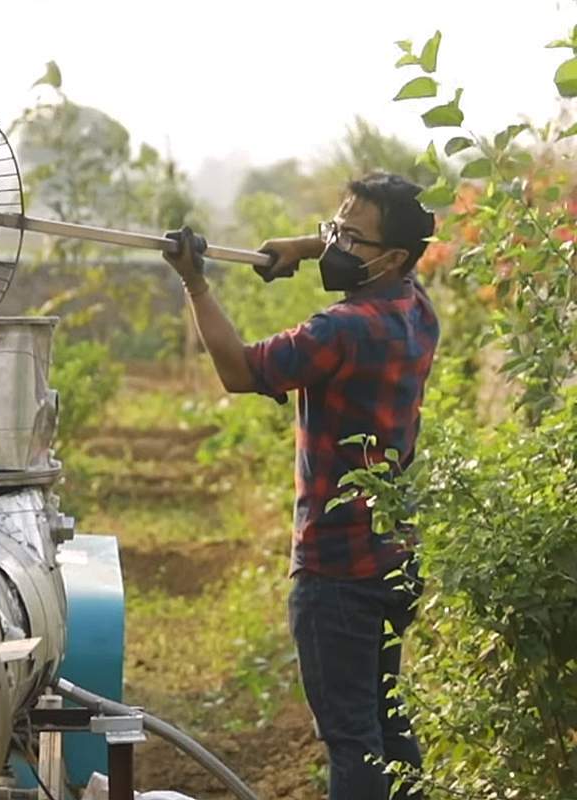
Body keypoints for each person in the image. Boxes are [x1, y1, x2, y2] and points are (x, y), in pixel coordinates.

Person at [163, 172, 438, 800]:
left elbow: (239, 370)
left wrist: (195, 281)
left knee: (352, 743)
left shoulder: (340, 331)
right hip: (392, 560)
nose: (336, 241)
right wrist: (304, 245)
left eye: (351, 236)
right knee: (388, 728)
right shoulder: (416, 311)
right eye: (334, 226)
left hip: (335, 570)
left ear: (391, 256)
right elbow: (361, 248)